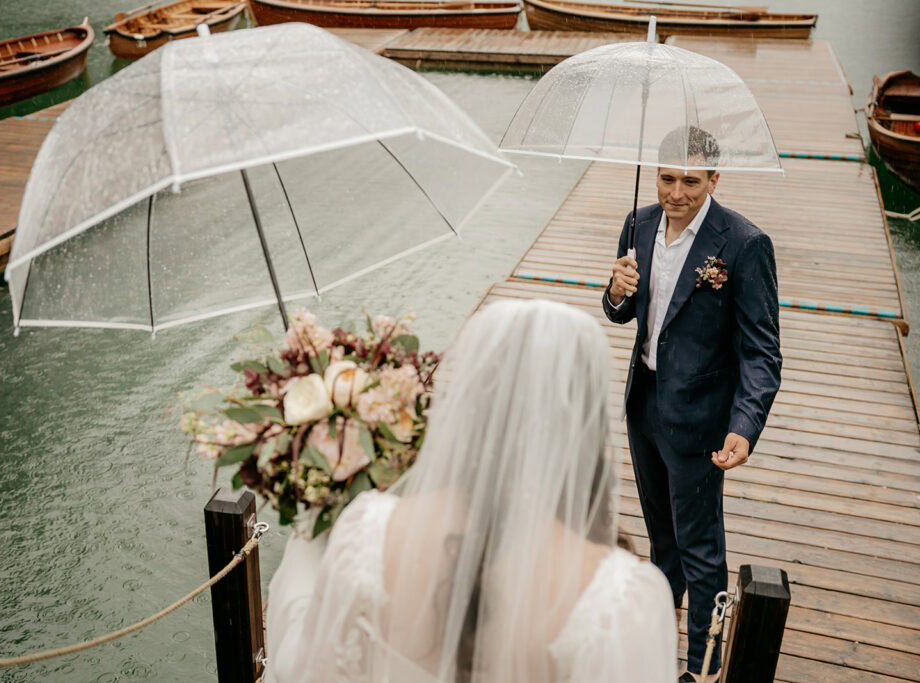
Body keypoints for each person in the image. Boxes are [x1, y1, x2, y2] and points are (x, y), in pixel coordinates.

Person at [265, 299, 678, 683]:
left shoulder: (366, 532)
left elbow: (312, 668)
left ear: (465, 405)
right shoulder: (619, 602)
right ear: (585, 425)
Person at [603, 126, 782, 682]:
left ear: (714, 179)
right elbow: (623, 314)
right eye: (667, 178)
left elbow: (762, 351)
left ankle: (701, 672)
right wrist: (616, 291)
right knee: (662, 543)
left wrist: (744, 426)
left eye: (690, 181)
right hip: (646, 405)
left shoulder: (744, 244)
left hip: (702, 421)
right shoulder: (639, 223)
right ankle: (657, 649)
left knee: (700, 550)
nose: (676, 192)